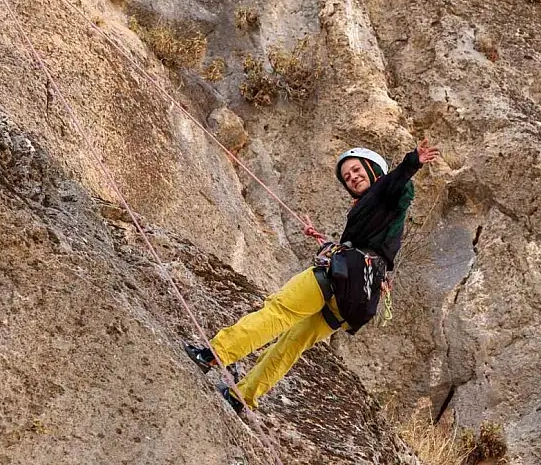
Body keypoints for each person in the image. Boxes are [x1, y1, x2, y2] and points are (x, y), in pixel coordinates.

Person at [185, 139, 441, 413]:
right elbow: (362, 246)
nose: (352, 177)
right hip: (353, 303)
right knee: (291, 344)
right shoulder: (377, 211)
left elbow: (397, 185)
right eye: (347, 177)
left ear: (373, 169)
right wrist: (323, 240)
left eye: (356, 170)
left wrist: (412, 161)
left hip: (336, 279)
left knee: (278, 312)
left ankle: (214, 355)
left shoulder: (390, 193)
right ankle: (242, 396)